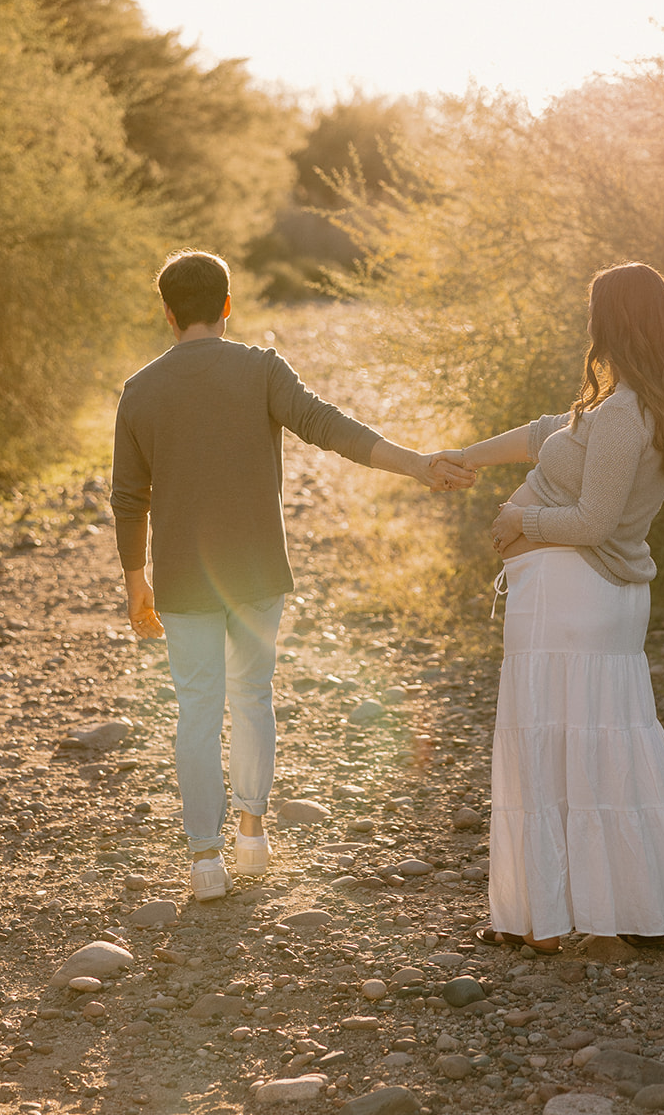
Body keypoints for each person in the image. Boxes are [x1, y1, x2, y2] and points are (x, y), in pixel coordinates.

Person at [111, 248, 474, 903]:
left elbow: (127, 497)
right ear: (227, 306)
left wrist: (135, 579)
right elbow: (328, 427)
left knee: (196, 710)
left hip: (182, 581)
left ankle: (204, 860)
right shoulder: (261, 370)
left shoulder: (140, 391)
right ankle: (252, 836)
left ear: (166, 313)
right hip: (256, 573)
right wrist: (419, 463)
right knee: (252, 695)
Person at [433, 262, 664, 953]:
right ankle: (633, 907)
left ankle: (555, 918)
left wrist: (520, 524)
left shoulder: (625, 415)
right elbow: (548, 431)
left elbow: (594, 521)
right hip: (599, 598)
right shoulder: (637, 404)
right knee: (609, 752)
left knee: (550, 747)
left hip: (572, 595)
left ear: (612, 322)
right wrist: (465, 457)